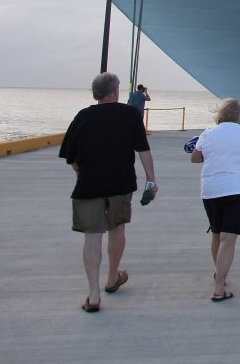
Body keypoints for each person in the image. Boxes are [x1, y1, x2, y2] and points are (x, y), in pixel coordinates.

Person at [58, 72, 158, 313]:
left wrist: (81, 171)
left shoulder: (83, 117)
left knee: (92, 237)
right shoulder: (130, 115)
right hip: (120, 184)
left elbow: (70, 157)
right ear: (114, 92)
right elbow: (143, 150)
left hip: (88, 185)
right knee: (117, 230)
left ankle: (93, 295)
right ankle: (112, 277)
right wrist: (151, 180)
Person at [191, 97, 240, 302]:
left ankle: (220, 274)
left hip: (210, 189)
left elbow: (195, 157)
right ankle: (218, 288)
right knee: (229, 238)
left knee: (217, 234)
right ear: (238, 116)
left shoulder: (207, 133)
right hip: (238, 188)